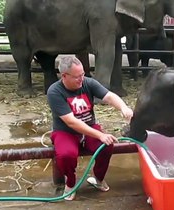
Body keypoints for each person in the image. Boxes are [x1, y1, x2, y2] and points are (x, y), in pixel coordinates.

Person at [47, 55, 133, 201]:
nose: (81, 79)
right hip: (66, 131)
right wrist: (99, 135)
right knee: (66, 154)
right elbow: (71, 122)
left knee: (106, 146)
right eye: (77, 77)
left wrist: (123, 107)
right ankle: (71, 183)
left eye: (82, 74)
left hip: (89, 126)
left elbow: (109, 96)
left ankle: (98, 178)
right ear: (64, 76)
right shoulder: (54, 92)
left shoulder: (88, 83)